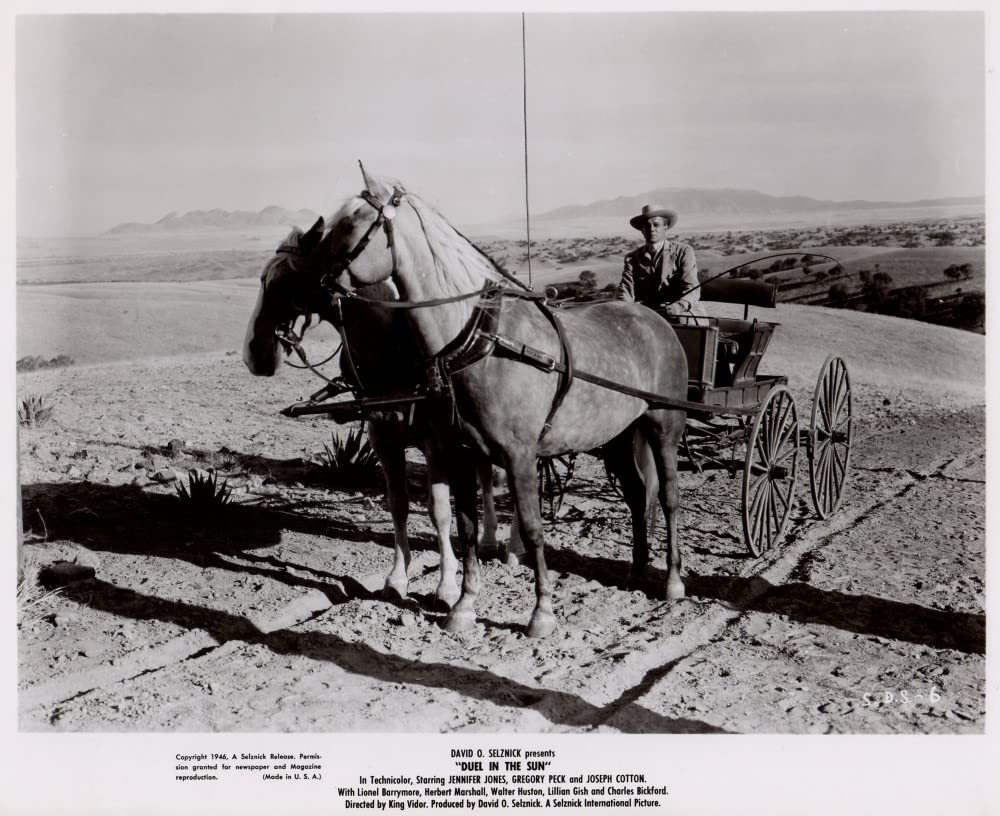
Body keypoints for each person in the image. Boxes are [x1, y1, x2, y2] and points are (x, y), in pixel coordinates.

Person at [617, 204, 703, 317]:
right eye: (647, 225)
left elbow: (691, 287)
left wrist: (679, 306)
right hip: (648, 313)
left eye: (656, 225)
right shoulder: (632, 258)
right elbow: (626, 291)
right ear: (642, 230)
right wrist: (624, 309)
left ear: (665, 227)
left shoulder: (683, 252)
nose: (651, 229)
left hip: (680, 312)